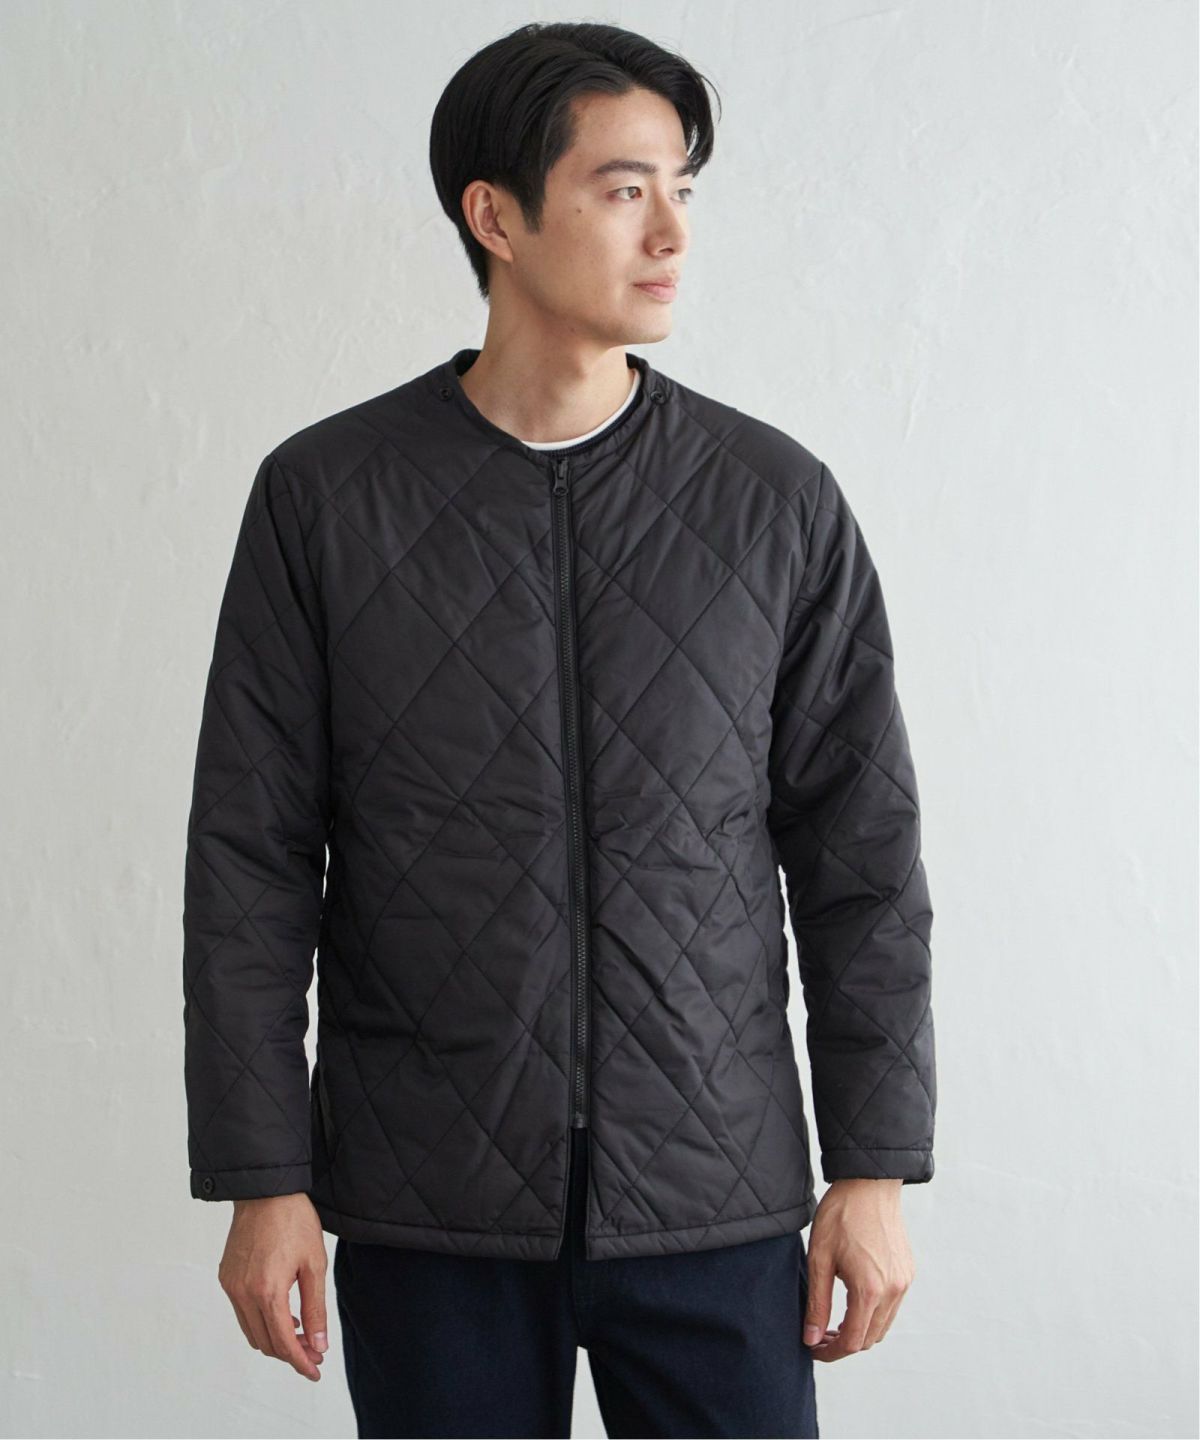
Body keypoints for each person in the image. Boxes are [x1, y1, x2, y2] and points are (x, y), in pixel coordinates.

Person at [181, 20, 936, 1439]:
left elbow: (864, 860)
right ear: (496, 216)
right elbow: (250, 862)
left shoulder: (771, 501)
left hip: (715, 1196)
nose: (672, 233)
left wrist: (875, 1166)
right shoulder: (327, 499)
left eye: (682, 190)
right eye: (623, 188)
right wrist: (262, 1179)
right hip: (430, 1203)